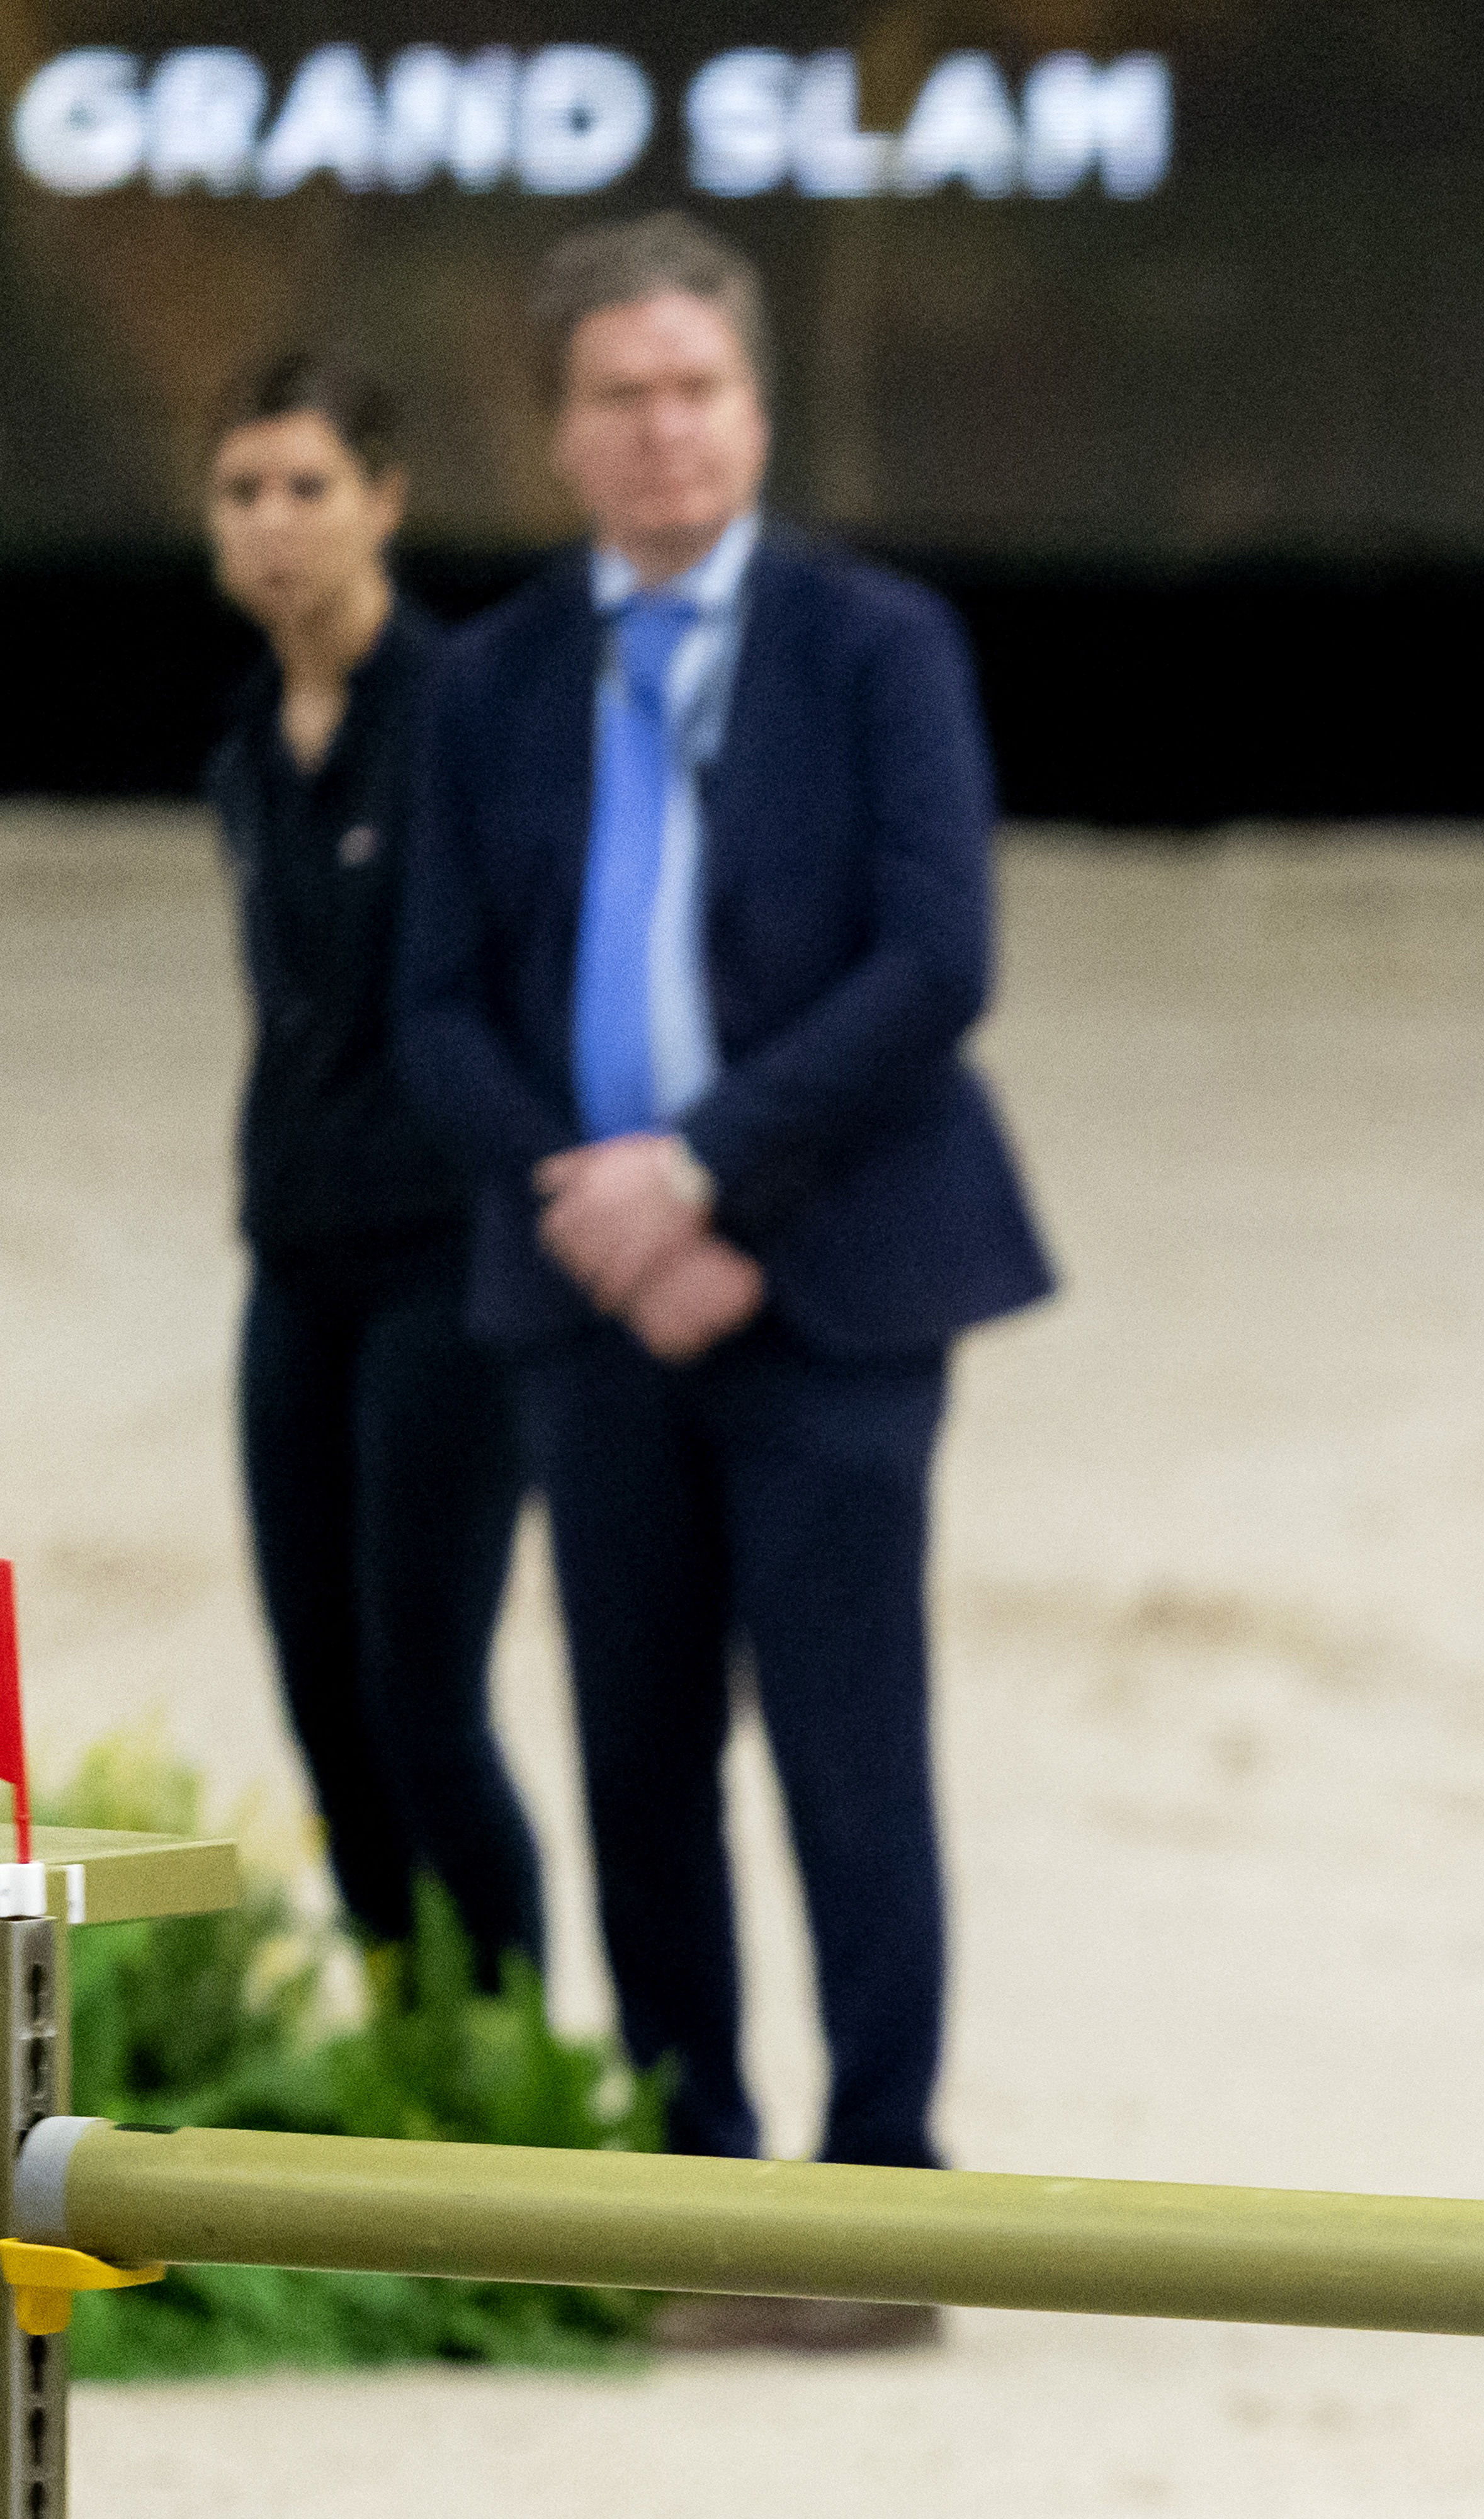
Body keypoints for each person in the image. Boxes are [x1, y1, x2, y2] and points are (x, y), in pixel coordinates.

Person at [397, 212, 1053, 2346]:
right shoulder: (481, 681)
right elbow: (439, 1008)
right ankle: (688, 2196)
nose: (664, 428)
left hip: (835, 1289)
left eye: (699, 387)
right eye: (621, 394)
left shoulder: (880, 648)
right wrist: (600, 1209)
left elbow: (934, 962)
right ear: (561, 428)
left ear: (757, 411)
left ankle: (881, 2224)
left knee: (852, 1752)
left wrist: (702, 1181)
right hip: (590, 1309)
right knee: (634, 1748)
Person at [204, 353, 545, 1984]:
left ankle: (513, 2066)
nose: (276, 525)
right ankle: (413, 2041)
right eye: (244, 491)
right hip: (297, 1265)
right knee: (324, 1699)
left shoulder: (471, 720)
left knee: (426, 1697)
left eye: (309, 488)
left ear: (388, 503)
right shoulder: (249, 751)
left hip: (446, 1267)